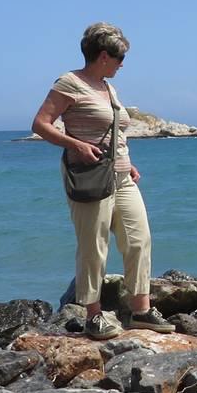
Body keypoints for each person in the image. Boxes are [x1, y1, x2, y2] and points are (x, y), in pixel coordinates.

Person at [31, 22, 174, 341]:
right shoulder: (70, 83)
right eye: (120, 58)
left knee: (139, 239)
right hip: (90, 176)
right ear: (104, 56)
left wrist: (127, 163)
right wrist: (76, 145)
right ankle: (93, 316)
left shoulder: (108, 88)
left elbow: (114, 132)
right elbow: (40, 124)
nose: (123, 65)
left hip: (121, 175)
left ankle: (141, 311)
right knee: (93, 246)